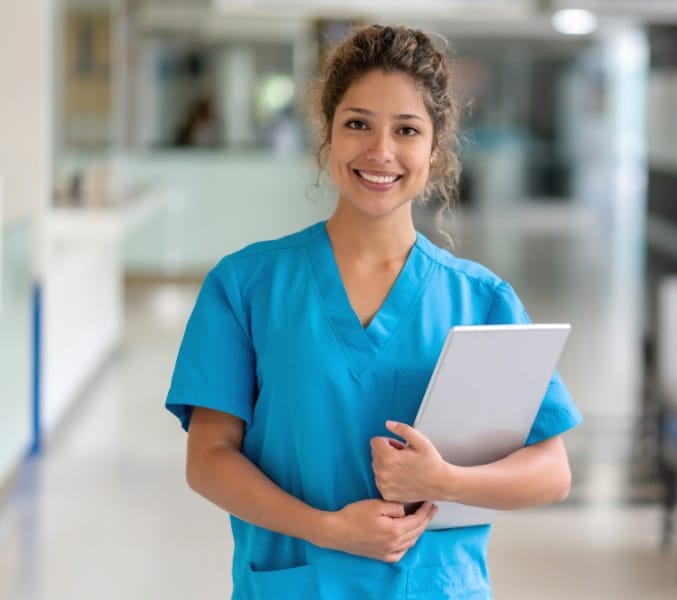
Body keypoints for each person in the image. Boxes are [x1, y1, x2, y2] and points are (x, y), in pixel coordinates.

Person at [165, 23, 583, 599]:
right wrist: (328, 529)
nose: (380, 151)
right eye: (357, 123)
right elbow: (208, 459)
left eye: (406, 130)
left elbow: (552, 472)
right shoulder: (247, 286)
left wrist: (447, 480)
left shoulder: (482, 300)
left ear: (435, 150)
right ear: (328, 135)